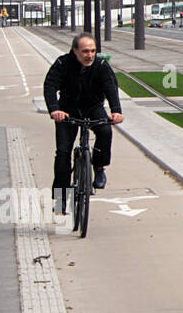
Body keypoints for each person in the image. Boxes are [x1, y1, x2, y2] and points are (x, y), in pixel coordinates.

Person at [44, 34, 124, 214]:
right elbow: (50, 86)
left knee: (105, 131)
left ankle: (100, 167)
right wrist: (54, 109)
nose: (90, 55)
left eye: (93, 51)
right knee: (63, 153)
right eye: (85, 51)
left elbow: (110, 86)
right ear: (75, 51)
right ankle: (60, 199)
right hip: (67, 110)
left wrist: (116, 111)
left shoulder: (101, 66)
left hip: (93, 107)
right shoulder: (63, 64)